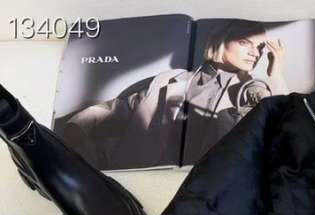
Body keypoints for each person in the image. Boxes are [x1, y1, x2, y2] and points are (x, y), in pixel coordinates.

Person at [58, 20, 289, 169]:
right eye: (245, 42)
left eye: (260, 47)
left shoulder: (253, 90)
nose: (255, 53)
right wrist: (75, 128)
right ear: (221, 41)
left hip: (205, 192)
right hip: (139, 175)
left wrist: (275, 73)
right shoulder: (169, 80)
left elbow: (286, 127)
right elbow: (117, 109)